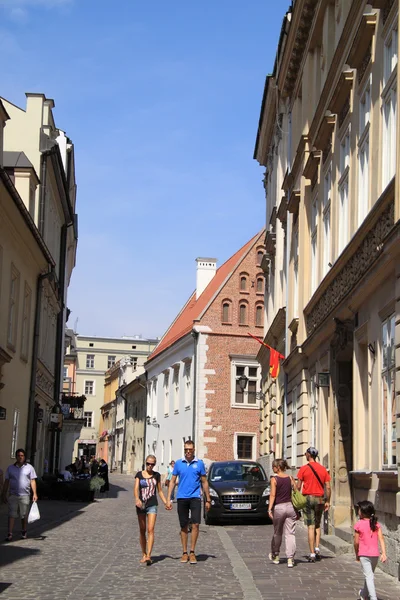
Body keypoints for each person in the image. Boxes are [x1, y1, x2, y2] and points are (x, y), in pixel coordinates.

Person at [166, 439, 211, 565]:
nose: (188, 452)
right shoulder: (179, 464)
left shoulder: (199, 464)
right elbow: (172, 481)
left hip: (195, 497)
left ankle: (192, 552)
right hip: (182, 498)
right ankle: (184, 552)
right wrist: (169, 498)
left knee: (196, 524)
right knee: (183, 525)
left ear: (194, 450)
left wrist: (208, 499)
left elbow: (204, 482)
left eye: (190, 449)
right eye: (186, 449)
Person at [296, 446, 331, 562]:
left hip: (308, 499)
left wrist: (296, 497)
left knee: (310, 527)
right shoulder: (323, 469)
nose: (305, 455)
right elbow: (328, 487)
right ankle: (317, 549)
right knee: (317, 524)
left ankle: (311, 554)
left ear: (309, 455)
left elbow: (298, 486)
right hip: (320, 499)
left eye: (306, 453)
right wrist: (328, 501)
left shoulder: (303, 469)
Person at [134, 454, 170, 565]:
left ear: (155, 464)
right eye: (148, 464)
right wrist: (137, 499)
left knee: (150, 529)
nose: (150, 466)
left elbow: (159, 490)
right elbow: (136, 488)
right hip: (141, 505)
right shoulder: (139, 475)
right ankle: (143, 553)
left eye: (152, 464)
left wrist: (166, 502)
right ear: (145, 463)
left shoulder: (157, 475)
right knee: (142, 530)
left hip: (152, 504)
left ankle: (149, 555)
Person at [1, 448, 38, 541]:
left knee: (24, 514)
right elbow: (7, 481)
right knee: (12, 514)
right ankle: (9, 533)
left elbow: (32, 481)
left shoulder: (29, 468)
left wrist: (35, 493)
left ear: (24, 457)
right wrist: (3, 493)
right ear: (16, 457)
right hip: (13, 494)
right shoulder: (10, 468)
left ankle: (24, 531)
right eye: (18, 456)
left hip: (24, 495)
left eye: (22, 456)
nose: (20, 457)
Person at [354, 500, 387, 600]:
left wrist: (357, 554)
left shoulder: (359, 524)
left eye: (359, 510)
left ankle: (373, 598)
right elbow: (381, 539)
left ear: (363, 512)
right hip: (375, 555)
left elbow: (356, 542)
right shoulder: (376, 524)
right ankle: (364, 594)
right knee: (369, 575)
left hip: (364, 554)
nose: (358, 511)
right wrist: (384, 553)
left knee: (369, 576)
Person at [268, 458, 297, 568]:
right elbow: (296, 491)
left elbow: (273, 495)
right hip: (290, 507)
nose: (272, 468)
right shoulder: (290, 478)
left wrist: (269, 509)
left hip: (279, 508)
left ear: (278, 467)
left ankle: (276, 555)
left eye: (273, 467)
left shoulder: (274, 479)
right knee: (290, 534)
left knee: (277, 533)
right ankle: (290, 559)